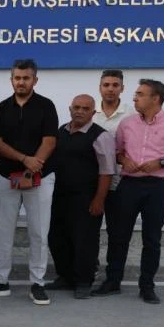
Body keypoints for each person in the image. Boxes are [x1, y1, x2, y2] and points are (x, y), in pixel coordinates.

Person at [94, 79, 164, 304]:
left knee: (152, 238)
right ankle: (112, 281)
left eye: (140, 94)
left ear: (155, 98)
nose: (134, 97)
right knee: (118, 236)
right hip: (129, 185)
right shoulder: (127, 123)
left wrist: (162, 162)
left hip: (157, 188)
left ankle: (147, 286)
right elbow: (117, 151)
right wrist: (124, 160)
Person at [0, 59, 58, 305]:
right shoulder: (2, 107)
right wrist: (24, 159)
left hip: (40, 178)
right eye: (17, 78)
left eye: (26, 78)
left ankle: (37, 282)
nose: (21, 82)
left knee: (39, 232)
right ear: (11, 80)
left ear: (35, 80)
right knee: (3, 231)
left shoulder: (46, 106)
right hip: (6, 177)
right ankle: (0, 280)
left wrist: (33, 167)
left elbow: (50, 141)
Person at [46, 95, 115, 300]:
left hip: (87, 198)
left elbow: (107, 171)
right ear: (70, 109)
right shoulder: (61, 131)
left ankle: (84, 281)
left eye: (85, 108)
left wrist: (99, 200)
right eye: (76, 107)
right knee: (58, 238)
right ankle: (66, 277)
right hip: (59, 195)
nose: (80, 111)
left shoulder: (101, 136)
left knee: (84, 241)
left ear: (93, 112)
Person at [92, 69, 133, 273]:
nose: (110, 89)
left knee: (117, 232)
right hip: (93, 182)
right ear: (100, 88)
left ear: (122, 88)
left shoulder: (132, 115)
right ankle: (89, 268)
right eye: (106, 85)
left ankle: (113, 276)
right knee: (90, 230)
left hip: (121, 182)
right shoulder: (90, 114)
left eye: (115, 85)